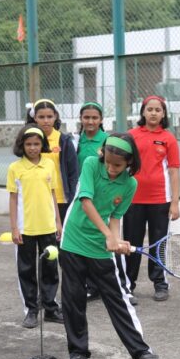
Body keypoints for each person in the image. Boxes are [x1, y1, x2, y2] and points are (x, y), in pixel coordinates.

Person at [59, 133, 162, 359]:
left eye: (118, 165)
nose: (111, 168)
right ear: (103, 154)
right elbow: (86, 201)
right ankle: (78, 355)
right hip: (73, 241)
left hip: (99, 249)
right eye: (108, 162)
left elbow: (115, 216)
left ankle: (142, 352)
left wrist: (114, 239)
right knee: (73, 301)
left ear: (129, 163)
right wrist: (108, 235)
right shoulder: (91, 165)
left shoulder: (130, 184)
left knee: (118, 300)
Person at [124, 95, 180, 303]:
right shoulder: (131, 135)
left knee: (159, 243)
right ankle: (127, 285)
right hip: (133, 200)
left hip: (160, 200)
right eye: (150, 109)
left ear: (163, 114)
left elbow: (174, 172)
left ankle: (160, 283)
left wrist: (174, 202)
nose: (154, 113)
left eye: (158, 110)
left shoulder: (169, 138)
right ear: (143, 112)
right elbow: (122, 166)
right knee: (131, 244)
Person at [7, 125, 64, 329]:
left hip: (48, 226)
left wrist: (58, 222)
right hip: (25, 229)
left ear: (42, 145)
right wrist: (14, 228)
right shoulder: (15, 168)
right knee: (27, 269)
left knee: (50, 269)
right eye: (28, 144)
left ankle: (50, 307)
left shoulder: (49, 165)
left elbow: (52, 195)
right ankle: (31, 309)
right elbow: (13, 200)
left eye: (36, 144)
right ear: (22, 145)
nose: (32, 148)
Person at [25, 99, 79, 225]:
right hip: (37, 199)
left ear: (55, 117)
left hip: (60, 199)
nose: (46, 120)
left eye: (49, 116)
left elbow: (73, 173)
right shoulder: (29, 141)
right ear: (34, 118)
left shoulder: (64, 141)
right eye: (41, 117)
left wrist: (71, 198)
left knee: (60, 241)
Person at [75, 102, 109, 301]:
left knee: (102, 239)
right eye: (86, 117)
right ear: (81, 119)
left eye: (94, 118)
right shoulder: (75, 141)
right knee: (84, 240)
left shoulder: (107, 140)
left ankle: (107, 284)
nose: (90, 121)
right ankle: (89, 285)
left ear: (101, 120)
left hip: (102, 196)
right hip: (82, 196)